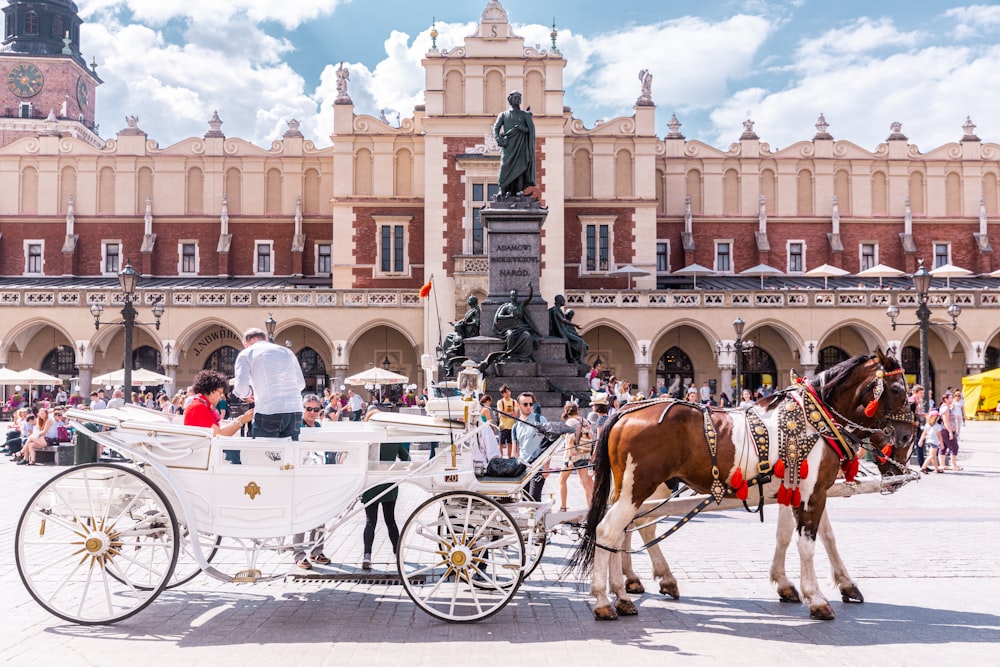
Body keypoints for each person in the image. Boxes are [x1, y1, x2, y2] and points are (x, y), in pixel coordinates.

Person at [233, 327, 306, 439]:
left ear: (245, 344)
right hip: (294, 409)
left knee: (265, 454)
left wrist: (247, 395)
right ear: (265, 339)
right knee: (290, 452)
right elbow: (300, 383)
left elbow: (241, 387)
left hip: (268, 409)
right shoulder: (287, 351)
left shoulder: (246, 353)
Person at [292, 394, 331, 569]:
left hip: (318, 475)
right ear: (303, 409)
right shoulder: (296, 427)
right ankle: (299, 554)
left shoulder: (318, 426)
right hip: (301, 477)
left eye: (316, 409)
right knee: (301, 517)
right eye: (309, 409)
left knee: (320, 515)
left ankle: (316, 551)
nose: (312, 413)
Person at [361, 440, 410, 570]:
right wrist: (393, 467)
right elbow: (406, 458)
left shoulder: (369, 441)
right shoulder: (393, 441)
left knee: (370, 521)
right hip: (388, 483)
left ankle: (367, 555)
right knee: (390, 520)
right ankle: (397, 553)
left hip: (371, 483)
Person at [183, 369, 254, 437]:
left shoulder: (199, 404)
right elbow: (218, 435)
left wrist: (240, 419)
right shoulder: (199, 407)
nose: (220, 397)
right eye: (220, 393)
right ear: (211, 390)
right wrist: (242, 420)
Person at [493, 90, 536, 196]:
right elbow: (496, 128)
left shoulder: (525, 115)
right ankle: (502, 189)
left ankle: (518, 190)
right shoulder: (503, 115)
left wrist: (522, 128)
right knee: (504, 166)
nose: (517, 99)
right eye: (515, 97)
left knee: (520, 166)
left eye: (519, 97)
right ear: (510, 99)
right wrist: (499, 139)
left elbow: (531, 130)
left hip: (521, 145)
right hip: (508, 146)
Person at [558, 402, 595, 512]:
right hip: (585, 454)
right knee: (585, 482)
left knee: (562, 479)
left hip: (574, 456)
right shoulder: (585, 421)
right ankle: (591, 509)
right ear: (577, 410)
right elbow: (592, 437)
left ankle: (563, 507)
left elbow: (570, 441)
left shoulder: (571, 422)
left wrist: (569, 459)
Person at [513, 392, 548, 501]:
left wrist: (546, 467)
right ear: (518, 406)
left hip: (538, 467)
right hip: (523, 468)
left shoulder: (540, 420)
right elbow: (515, 450)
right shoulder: (516, 426)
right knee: (523, 501)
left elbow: (548, 443)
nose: (529, 407)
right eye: (525, 404)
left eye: (531, 404)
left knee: (534, 500)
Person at [494, 285, 542, 361]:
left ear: (517, 296)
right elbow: (499, 316)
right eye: (512, 295)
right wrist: (509, 316)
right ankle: (509, 353)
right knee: (510, 335)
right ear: (510, 296)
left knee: (527, 336)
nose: (513, 297)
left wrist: (531, 289)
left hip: (521, 327)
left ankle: (524, 355)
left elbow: (529, 298)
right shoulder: (506, 306)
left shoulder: (520, 305)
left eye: (515, 295)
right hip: (510, 326)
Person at [919, 410, 944, 474]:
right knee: (931, 456)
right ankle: (923, 467)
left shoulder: (927, 425)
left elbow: (924, 434)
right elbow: (939, 436)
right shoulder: (938, 426)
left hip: (928, 442)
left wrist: (921, 440)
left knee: (933, 456)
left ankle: (937, 469)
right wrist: (942, 444)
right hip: (934, 442)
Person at [496, 384, 517, 458]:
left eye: (508, 391)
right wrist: (510, 413)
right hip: (503, 426)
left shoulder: (514, 402)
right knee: (501, 443)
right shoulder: (500, 402)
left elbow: (516, 414)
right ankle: (500, 457)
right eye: (506, 392)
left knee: (510, 443)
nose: (508, 393)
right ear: (502, 394)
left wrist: (507, 413)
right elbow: (502, 414)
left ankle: (509, 457)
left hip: (512, 425)